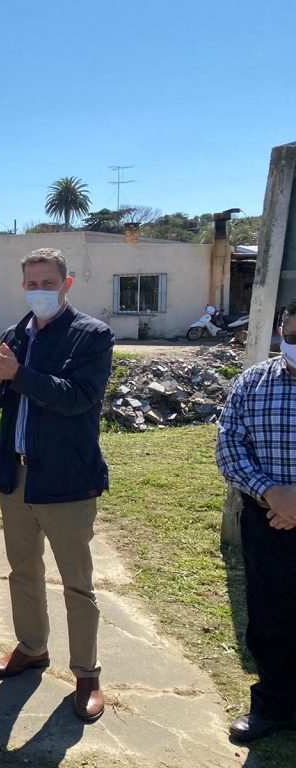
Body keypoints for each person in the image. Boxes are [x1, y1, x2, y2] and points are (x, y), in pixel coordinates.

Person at [0, 248, 114, 723]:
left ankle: (86, 672)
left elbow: (78, 398)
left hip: (66, 481)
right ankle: (32, 648)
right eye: (31, 282)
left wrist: (17, 374)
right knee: (22, 571)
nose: (39, 290)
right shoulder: (17, 333)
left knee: (77, 583)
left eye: (47, 282)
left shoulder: (92, 335)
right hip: (15, 476)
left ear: (66, 284)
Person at [217, 297, 296, 743]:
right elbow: (230, 448)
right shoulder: (252, 382)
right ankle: (273, 707)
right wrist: (273, 495)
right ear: (282, 331)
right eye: (293, 334)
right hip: (266, 522)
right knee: (269, 618)